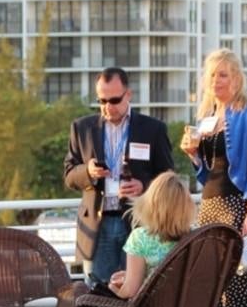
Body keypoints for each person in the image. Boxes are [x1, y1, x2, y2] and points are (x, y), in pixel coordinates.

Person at [179, 49, 247, 307]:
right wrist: (193, 156)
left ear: (237, 78)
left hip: (235, 205)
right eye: (213, 75)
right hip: (209, 206)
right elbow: (208, 174)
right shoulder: (206, 118)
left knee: (237, 288)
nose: (217, 81)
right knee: (212, 287)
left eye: (224, 74)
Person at [63, 67, 174, 289]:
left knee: (137, 292)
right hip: (97, 225)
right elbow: (68, 175)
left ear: (128, 95)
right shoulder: (82, 128)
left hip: (137, 223)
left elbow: (168, 178)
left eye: (114, 100)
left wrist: (144, 186)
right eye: (101, 101)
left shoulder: (152, 129)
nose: (107, 107)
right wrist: (88, 171)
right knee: (98, 295)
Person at [107, 172, 195, 307]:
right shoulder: (196, 238)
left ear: (151, 203)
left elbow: (131, 291)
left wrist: (113, 288)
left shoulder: (141, 238)